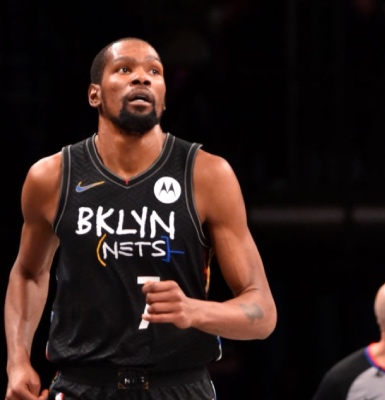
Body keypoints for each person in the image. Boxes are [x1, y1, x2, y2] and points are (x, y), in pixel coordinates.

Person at [4, 37, 277, 400]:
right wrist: (18, 360)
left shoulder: (208, 175)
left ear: (163, 99)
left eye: (154, 71)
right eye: (124, 69)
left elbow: (262, 312)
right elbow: (28, 273)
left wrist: (194, 311)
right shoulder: (52, 176)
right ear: (94, 95)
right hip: (83, 385)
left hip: (178, 385)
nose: (142, 78)